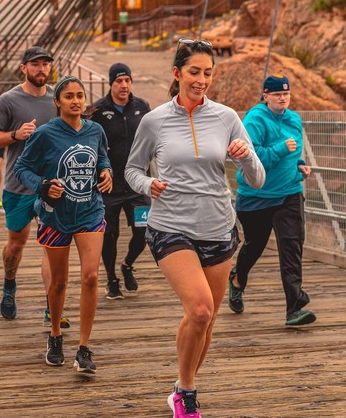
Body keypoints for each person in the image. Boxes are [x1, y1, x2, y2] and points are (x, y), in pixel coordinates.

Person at [124, 39, 264, 418]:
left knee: (207, 319)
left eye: (207, 73)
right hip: (170, 226)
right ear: (177, 74)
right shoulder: (154, 120)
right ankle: (186, 392)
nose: (201, 79)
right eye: (194, 72)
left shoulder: (227, 117)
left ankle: (182, 384)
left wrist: (246, 155)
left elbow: (258, 178)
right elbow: (132, 169)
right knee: (200, 310)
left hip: (218, 227)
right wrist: (146, 185)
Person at [15, 77, 113, 372]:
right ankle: (55, 334)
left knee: (92, 277)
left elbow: (103, 159)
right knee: (58, 282)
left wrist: (107, 171)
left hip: (90, 212)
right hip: (55, 215)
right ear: (57, 102)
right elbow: (22, 168)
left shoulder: (95, 130)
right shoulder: (45, 134)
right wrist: (43, 185)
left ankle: (84, 347)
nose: (76, 101)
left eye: (80, 96)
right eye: (68, 96)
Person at [0, 46, 63, 327]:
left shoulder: (57, 99)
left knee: (51, 246)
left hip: (52, 187)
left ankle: (51, 306)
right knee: (16, 244)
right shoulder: (8, 100)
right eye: (36, 64)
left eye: (45, 64)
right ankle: (9, 286)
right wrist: (16, 134)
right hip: (18, 185)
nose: (42, 69)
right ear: (24, 68)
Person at [228, 74, 315, 327]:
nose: (282, 98)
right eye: (277, 94)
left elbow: (293, 153)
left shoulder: (294, 119)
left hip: (289, 193)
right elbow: (248, 159)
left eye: (286, 94)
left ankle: (294, 308)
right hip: (257, 196)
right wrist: (280, 149)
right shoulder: (254, 120)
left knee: (291, 247)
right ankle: (237, 278)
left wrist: (299, 165)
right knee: (254, 246)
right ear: (265, 96)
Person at [89, 62, 151, 299]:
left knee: (144, 231)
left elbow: (154, 139)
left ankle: (127, 265)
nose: (124, 85)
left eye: (127, 81)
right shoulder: (98, 111)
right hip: (109, 187)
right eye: (119, 81)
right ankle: (112, 279)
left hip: (137, 184)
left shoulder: (142, 107)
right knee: (109, 235)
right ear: (111, 84)